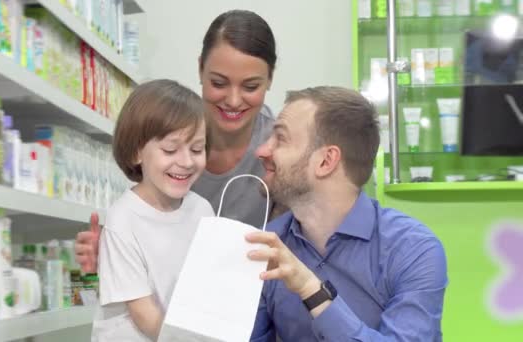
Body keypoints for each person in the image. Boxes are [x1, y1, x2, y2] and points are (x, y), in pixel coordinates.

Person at [76, 9, 280, 273]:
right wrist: (113, 254)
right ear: (200, 69)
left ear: (270, 79)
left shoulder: (279, 149)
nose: (233, 100)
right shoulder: (164, 133)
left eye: (250, 87)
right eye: (218, 83)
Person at [245, 86, 448, 341]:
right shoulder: (268, 244)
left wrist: (311, 289)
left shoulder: (413, 250)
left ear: (326, 161)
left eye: (280, 139)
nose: (262, 151)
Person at [91, 79, 215, 341]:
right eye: (170, 149)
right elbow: (144, 314)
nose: (186, 161)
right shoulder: (123, 219)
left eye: (197, 149)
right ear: (137, 151)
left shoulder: (202, 210)